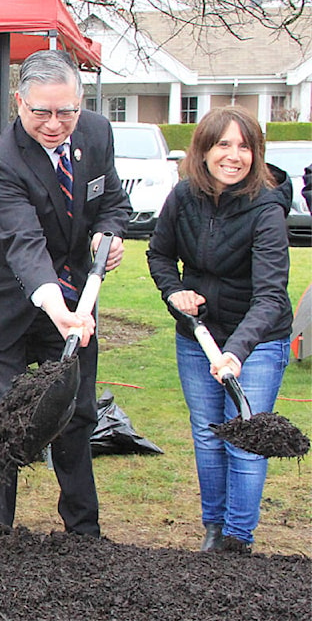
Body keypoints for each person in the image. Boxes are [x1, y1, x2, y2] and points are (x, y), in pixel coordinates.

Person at [0, 50, 131, 537]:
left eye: (66, 112)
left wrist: (107, 236)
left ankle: (84, 533)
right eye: (42, 113)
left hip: (75, 300)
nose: (55, 125)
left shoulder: (96, 133)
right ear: (19, 102)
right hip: (3, 302)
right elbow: (24, 242)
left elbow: (112, 201)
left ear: (80, 103)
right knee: (1, 423)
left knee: (76, 414)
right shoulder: (2, 160)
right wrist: (57, 307)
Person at [147, 105, 293, 554]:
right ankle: (214, 531)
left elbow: (270, 295)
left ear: (257, 154)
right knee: (209, 435)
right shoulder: (184, 196)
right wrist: (175, 295)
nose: (234, 155)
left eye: (245, 146)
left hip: (257, 342)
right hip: (198, 337)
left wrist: (238, 351)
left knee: (245, 440)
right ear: (204, 150)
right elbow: (158, 255)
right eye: (223, 144)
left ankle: (237, 539)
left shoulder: (266, 209)